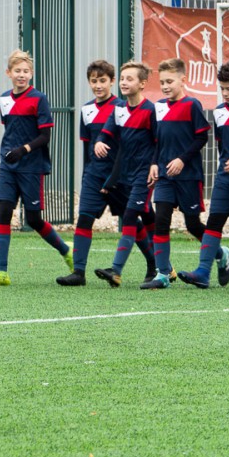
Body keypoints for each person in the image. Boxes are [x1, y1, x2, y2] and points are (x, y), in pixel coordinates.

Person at [59, 59, 154, 287]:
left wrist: (114, 177)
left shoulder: (122, 107)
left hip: (120, 176)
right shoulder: (86, 110)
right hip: (94, 175)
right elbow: (87, 147)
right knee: (84, 219)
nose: (98, 85)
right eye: (94, 81)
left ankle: (154, 263)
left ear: (112, 82)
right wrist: (86, 174)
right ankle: (78, 272)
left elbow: (128, 146)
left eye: (103, 81)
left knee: (132, 221)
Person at [173, 61, 229, 290]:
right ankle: (203, 272)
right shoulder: (219, 111)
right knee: (215, 220)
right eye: (222, 88)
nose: (224, 93)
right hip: (225, 177)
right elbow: (223, 145)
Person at [0, 49, 74, 286]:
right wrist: (9, 154)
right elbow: (10, 129)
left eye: (25, 71)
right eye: (17, 71)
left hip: (31, 167)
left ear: (31, 74)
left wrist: (22, 150)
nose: (21, 75)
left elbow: (45, 136)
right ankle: (1, 272)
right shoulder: (3, 99)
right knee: (4, 212)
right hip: (8, 166)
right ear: (9, 73)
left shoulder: (39, 99)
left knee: (33, 219)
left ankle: (66, 250)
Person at [141, 58, 220, 290]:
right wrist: (155, 163)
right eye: (162, 82)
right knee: (161, 221)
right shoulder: (159, 107)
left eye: (170, 81)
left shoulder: (192, 105)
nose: (165, 86)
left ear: (182, 80)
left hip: (188, 176)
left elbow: (201, 137)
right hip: (165, 176)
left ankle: (220, 253)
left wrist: (182, 159)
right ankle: (163, 273)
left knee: (193, 225)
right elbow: (157, 141)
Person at [94, 61, 159, 288]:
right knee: (146, 217)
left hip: (144, 174)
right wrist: (100, 143)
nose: (124, 82)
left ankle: (116, 270)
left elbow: (159, 143)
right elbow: (107, 133)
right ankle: (157, 266)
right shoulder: (119, 108)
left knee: (130, 217)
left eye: (129, 79)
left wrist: (154, 164)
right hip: (125, 174)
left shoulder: (151, 110)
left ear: (142, 84)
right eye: (122, 78)